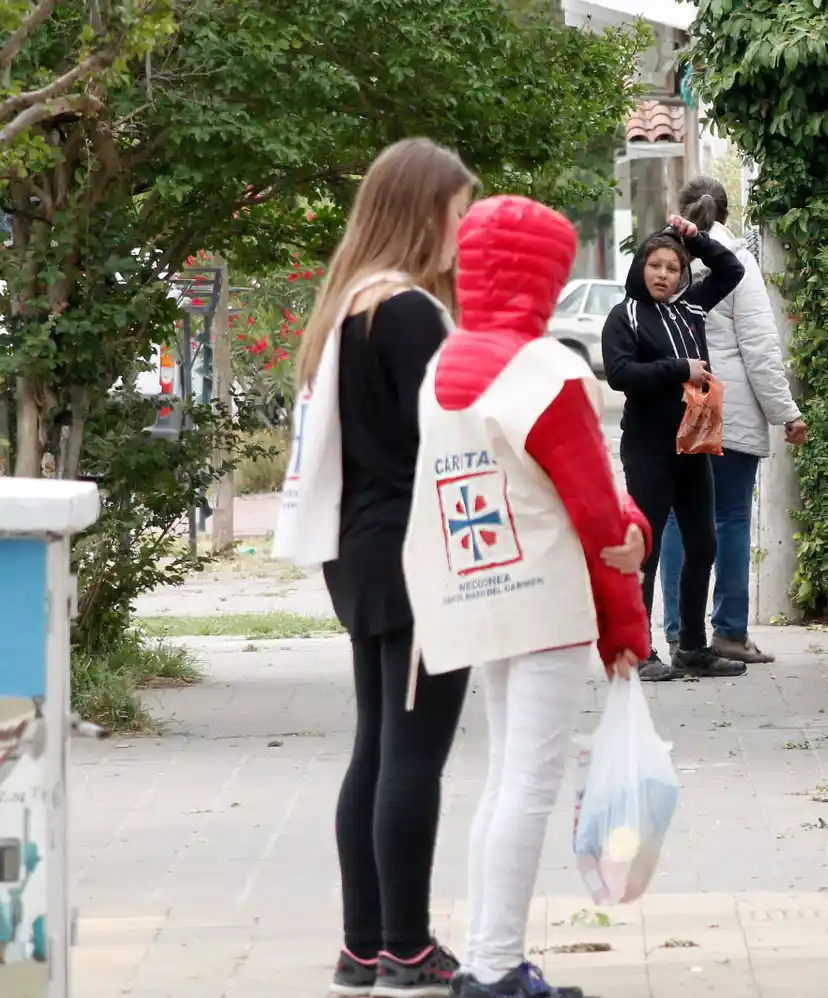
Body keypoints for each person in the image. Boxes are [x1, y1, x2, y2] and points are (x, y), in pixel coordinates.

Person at [399, 195, 651, 998]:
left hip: (480, 595)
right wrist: (625, 627)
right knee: (529, 786)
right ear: (544, 276)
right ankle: (496, 969)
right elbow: (597, 515)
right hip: (545, 598)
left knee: (503, 780)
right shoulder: (547, 372)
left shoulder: (443, 369)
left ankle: (485, 960)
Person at [281, 138, 476, 998]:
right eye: (458, 214)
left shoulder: (350, 305)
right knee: (412, 756)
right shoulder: (407, 313)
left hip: (360, 549)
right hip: (416, 553)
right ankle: (406, 946)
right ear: (422, 211)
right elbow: (446, 434)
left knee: (376, 746)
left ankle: (363, 948)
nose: (462, 233)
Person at [656, 178, 808, 665]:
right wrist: (787, 414)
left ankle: (679, 634)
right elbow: (760, 349)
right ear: (725, 213)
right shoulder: (738, 263)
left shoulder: (663, 260)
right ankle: (729, 634)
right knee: (730, 519)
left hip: (681, 403)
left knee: (676, 519)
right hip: (730, 408)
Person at [602, 214, 747, 681]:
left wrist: (695, 238)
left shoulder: (691, 309)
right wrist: (679, 368)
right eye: (655, 266)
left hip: (694, 441)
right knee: (644, 547)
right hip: (648, 447)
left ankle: (692, 647)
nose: (664, 275)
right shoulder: (624, 315)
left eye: (673, 268)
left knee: (702, 543)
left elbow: (731, 270)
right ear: (640, 267)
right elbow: (621, 374)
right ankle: (639, 649)